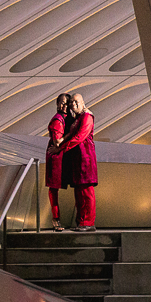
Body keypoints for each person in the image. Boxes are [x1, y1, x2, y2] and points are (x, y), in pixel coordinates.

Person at [56, 93, 97, 231]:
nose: (74, 104)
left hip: (85, 159)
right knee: (79, 192)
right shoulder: (78, 118)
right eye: (72, 103)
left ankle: (88, 222)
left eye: (76, 102)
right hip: (78, 159)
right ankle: (81, 221)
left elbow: (80, 137)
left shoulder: (87, 117)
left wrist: (61, 148)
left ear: (83, 102)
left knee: (86, 192)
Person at [44, 94, 72, 229]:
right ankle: (55, 219)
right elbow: (56, 142)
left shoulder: (69, 118)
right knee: (54, 188)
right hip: (56, 156)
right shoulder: (58, 120)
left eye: (66, 103)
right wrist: (71, 133)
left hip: (65, 154)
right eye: (61, 103)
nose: (63, 106)